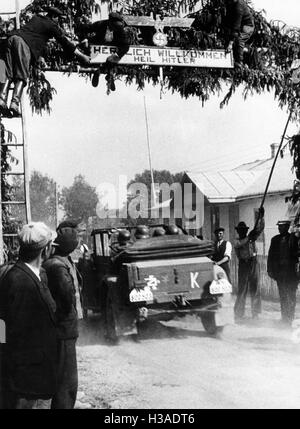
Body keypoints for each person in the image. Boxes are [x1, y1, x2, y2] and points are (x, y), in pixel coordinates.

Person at [0, 222, 57, 409]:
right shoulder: (20, 281)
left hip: (32, 370)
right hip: (26, 377)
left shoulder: (33, 275)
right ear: (46, 249)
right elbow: (7, 328)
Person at [0, 6, 90, 117]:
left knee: (8, 73)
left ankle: (1, 100)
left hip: (11, 39)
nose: (59, 22)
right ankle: (14, 103)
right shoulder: (51, 25)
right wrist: (82, 56)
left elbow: (37, 36)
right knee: (21, 76)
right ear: (54, 17)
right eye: (58, 19)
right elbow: (64, 42)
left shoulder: (36, 18)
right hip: (23, 44)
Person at [43, 221, 82, 409]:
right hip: (63, 330)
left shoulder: (61, 262)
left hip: (64, 329)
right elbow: (67, 298)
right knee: (67, 383)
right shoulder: (57, 266)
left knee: (65, 381)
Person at [77, 11, 130, 91]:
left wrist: (117, 55)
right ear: (109, 22)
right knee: (93, 58)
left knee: (111, 61)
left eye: (116, 27)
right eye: (114, 26)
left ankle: (108, 75)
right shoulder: (100, 24)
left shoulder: (120, 29)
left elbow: (126, 45)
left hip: (111, 50)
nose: (114, 29)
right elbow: (84, 29)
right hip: (98, 46)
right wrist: (84, 39)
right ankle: (97, 72)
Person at [234, 207, 265, 322]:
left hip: (254, 263)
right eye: (240, 230)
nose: (242, 231)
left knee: (255, 288)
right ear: (238, 231)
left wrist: (261, 217)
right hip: (244, 265)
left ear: (246, 230)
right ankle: (239, 313)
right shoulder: (237, 240)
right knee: (242, 289)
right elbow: (240, 244)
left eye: (244, 230)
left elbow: (259, 229)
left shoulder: (251, 238)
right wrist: (249, 236)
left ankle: (255, 313)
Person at [267, 220, 299, 327]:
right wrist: (270, 270)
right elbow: (271, 256)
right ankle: (284, 318)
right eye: (279, 227)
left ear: (287, 227)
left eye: (282, 227)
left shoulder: (294, 239)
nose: (279, 229)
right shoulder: (275, 240)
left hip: (291, 274)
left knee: (291, 296)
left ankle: (290, 318)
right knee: (283, 296)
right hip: (280, 274)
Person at [224, 0, 255, 66]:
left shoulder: (238, 6)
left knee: (239, 40)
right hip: (239, 25)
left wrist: (230, 43)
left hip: (247, 26)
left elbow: (236, 26)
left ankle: (239, 63)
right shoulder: (230, 4)